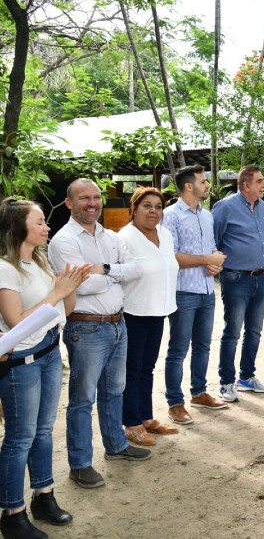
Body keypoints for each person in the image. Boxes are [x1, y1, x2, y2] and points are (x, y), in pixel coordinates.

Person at [48, 178, 149, 490]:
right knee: (82, 398)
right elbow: (82, 284)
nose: (91, 203)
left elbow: (136, 269)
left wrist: (103, 269)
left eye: (95, 197)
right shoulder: (63, 241)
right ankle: (80, 464)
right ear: (69, 203)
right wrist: (112, 274)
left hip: (118, 323)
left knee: (114, 391)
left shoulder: (108, 235)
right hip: (86, 326)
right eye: (83, 198)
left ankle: (116, 446)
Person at [0, 198, 90, 535]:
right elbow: (16, 321)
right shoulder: (5, 269)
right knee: (19, 437)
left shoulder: (38, 261)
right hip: (21, 363)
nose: (46, 227)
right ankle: (12, 513)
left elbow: (63, 313)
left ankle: (44, 495)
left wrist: (70, 289)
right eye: (39, 222)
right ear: (18, 226)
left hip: (50, 352)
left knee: (42, 430)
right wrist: (56, 293)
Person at [162, 166, 229, 426]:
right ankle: (175, 403)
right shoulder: (171, 216)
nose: (207, 185)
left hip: (206, 290)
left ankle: (199, 393)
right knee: (178, 349)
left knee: (203, 345)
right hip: (183, 291)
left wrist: (215, 264)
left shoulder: (207, 216)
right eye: (203, 181)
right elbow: (171, 255)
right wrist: (206, 259)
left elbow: (210, 248)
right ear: (189, 186)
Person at [118, 188, 179, 447]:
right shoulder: (125, 238)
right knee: (132, 369)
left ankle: (145, 417)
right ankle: (131, 423)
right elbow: (117, 273)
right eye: (146, 206)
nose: (153, 211)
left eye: (157, 206)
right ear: (134, 208)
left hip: (158, 310)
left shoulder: (164, 234)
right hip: (134, 312)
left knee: (147, 368)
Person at [212, 165, 264, 402]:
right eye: (259, 181)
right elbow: (214, 241)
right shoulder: (225, 207)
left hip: (260, 277)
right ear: (246, 185)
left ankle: (246, 377)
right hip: (235, 278)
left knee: (255, 331)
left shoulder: (261, 206)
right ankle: (226, 382)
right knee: (233, 332)